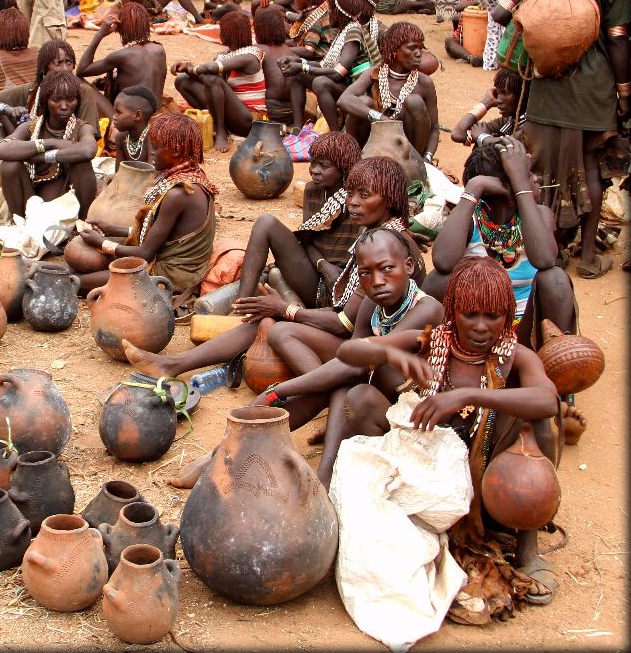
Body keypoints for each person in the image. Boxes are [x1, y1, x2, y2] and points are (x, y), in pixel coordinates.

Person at [332, 256, 563, 617]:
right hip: (427, 470)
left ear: (507, 314)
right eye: (471, 315)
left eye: (494, 316)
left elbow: (548, 400)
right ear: (453, 311)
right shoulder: (432, 341)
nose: (483, 327)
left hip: (486, 475)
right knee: (360, 399)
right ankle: (411, 516)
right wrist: (391, 351)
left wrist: (469, 395)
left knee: (535, 422)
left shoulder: (513, 356)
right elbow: (347, 351)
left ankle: (528, 546)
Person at [123, 155, 419, 383]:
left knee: (278, 329)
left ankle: (324, 389)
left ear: (390, 199)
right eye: (351, 193)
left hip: (365, 350)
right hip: (350, 329)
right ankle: (175, 364)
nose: (352, 203)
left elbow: (345, 323)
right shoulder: (379, 235)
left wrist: (286, 309)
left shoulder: (391, 248)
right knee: (263, 320)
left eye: (364, 195)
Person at [491, 0, 630, 280]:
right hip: (594, 89)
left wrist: (543, 33)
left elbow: (502, 11)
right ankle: (587, 257)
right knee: (590, 167)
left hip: (547, 86)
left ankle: (543, 251)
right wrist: (624, 93)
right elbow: (618, 39)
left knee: (542, 168)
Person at [247, 227, 444, 487]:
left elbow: (358, 365)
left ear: (408, 266)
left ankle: (323, 473)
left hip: (414, 418)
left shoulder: (427, 308)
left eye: (387, 268)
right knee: (340, 381)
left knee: (350, 380)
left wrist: (279, 390)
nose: (377, 281)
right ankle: (249, 442)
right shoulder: (374, 304)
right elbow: (349, 363)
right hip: (373, 398)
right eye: (365, 273)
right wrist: (276, 394)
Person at [426, 134, 576, 349]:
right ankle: (439, 352)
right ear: (507, 185)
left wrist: (521, 189)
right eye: (527, 175)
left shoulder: (539, 214)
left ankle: (557, 359)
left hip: (524, 328)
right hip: (475, 323)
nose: (536, 179)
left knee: (555, 279)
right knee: (438, 279)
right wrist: (473, 189)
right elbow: (442, 261)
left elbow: (545, 260)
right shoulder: (470, 218)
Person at [70, 112, 217, 300]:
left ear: (176, 151)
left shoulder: (178, 194)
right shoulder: (194, 176)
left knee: (75, 281)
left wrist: (102, 243)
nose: (152, 153)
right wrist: (113, 229)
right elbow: (164, 232)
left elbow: (145, 253)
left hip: (172, 275)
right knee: (77, 269)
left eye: (156, 148)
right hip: (171, 264)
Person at [232, 130, 362, 303]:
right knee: (265, 223)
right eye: (313, 163)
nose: (315, 171)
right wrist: (323, 265)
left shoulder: (356, 200)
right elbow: (306, 238)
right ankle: (242, 303)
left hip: (346, 282)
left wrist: (337, 273)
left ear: (344, 168)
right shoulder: (312, 191)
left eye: (324, 166)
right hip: (315, 273)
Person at [0, 67, 98, 221]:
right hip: (30, 197)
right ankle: (19, 222)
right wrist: (51, 143)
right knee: (9, 166)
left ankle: (81, 226)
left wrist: (45, 157)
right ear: (46, 101)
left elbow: (88, 150)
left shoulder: (82, 128)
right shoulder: (32, 126)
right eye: (56, 100)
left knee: (82, 164)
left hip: (64, 202)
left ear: (77, 102)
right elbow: (2, 150)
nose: (64, 106)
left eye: (70, 100)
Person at [282, 0, 381, 130]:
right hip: (351, 85)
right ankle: (297, 128)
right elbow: (324, 66)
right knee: (297, 75)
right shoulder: (345, 31)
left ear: (339, 13)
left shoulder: (354, 32)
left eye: (330, 10)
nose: (328, 15)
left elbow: (337, 74)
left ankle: (335, 134)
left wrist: (303, 66)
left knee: (320, 83)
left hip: (363, 92)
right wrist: (299, 62)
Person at [338, 21, 440, 163]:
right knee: (363, 102)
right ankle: (356, 160)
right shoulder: (374, 73)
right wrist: (380, 118)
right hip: (372, 145)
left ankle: (414, 163)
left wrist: (427, 157)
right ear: (394, 50)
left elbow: (434, 128)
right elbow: (344, 99)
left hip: (407, 152)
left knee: (414, 101)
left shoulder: (424, 82)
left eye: (420, 48)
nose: (419, 54)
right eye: (412, 48)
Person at [172, 10, 265, 152]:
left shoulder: (250, 55)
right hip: (233, 114)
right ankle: (214, 124)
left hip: (249, 120)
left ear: (229, 34)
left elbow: (211, 70)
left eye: (222, 30)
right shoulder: (226, 54)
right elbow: (209, 79)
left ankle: (221, 132)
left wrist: (191, 69)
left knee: (210, 77)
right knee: (182, 80)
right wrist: (188, 70)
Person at [0, 39, 101, 132]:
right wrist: (8, 109)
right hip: (30, 146)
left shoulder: (83, 91)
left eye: (69, 62)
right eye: (58, 63)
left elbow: (90, 136)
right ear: (44, 68)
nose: (65, 68)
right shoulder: (34, 89)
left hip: (69, 149)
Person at [77, 1, 168, 119]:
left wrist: (100, 34)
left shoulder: (122, 55)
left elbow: (81, 70)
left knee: (76, 81)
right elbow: (137, 76)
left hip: (130, 119)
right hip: (155, 115)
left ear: (120, 27)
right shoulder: (159, 49)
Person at [251, 5, 306, 128]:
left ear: (260, 30)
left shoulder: (260, 49)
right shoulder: (289, 51)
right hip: (290, 112)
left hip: (271, 111)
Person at [449, 67, 525, 145]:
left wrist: (481, 137)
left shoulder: (529, 127)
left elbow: (508, 145)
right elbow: (458, 134)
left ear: (523, 94)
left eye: (505, 93)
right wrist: (486, 102)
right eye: (498, 93)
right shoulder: (509, 120)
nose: (498, 100)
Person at [108, 84, 158, 165]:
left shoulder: (151, 138)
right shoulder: (121, 138)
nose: (114, 117)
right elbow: (119, 172)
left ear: (137, 115)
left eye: (119, 112)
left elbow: (151, 172)